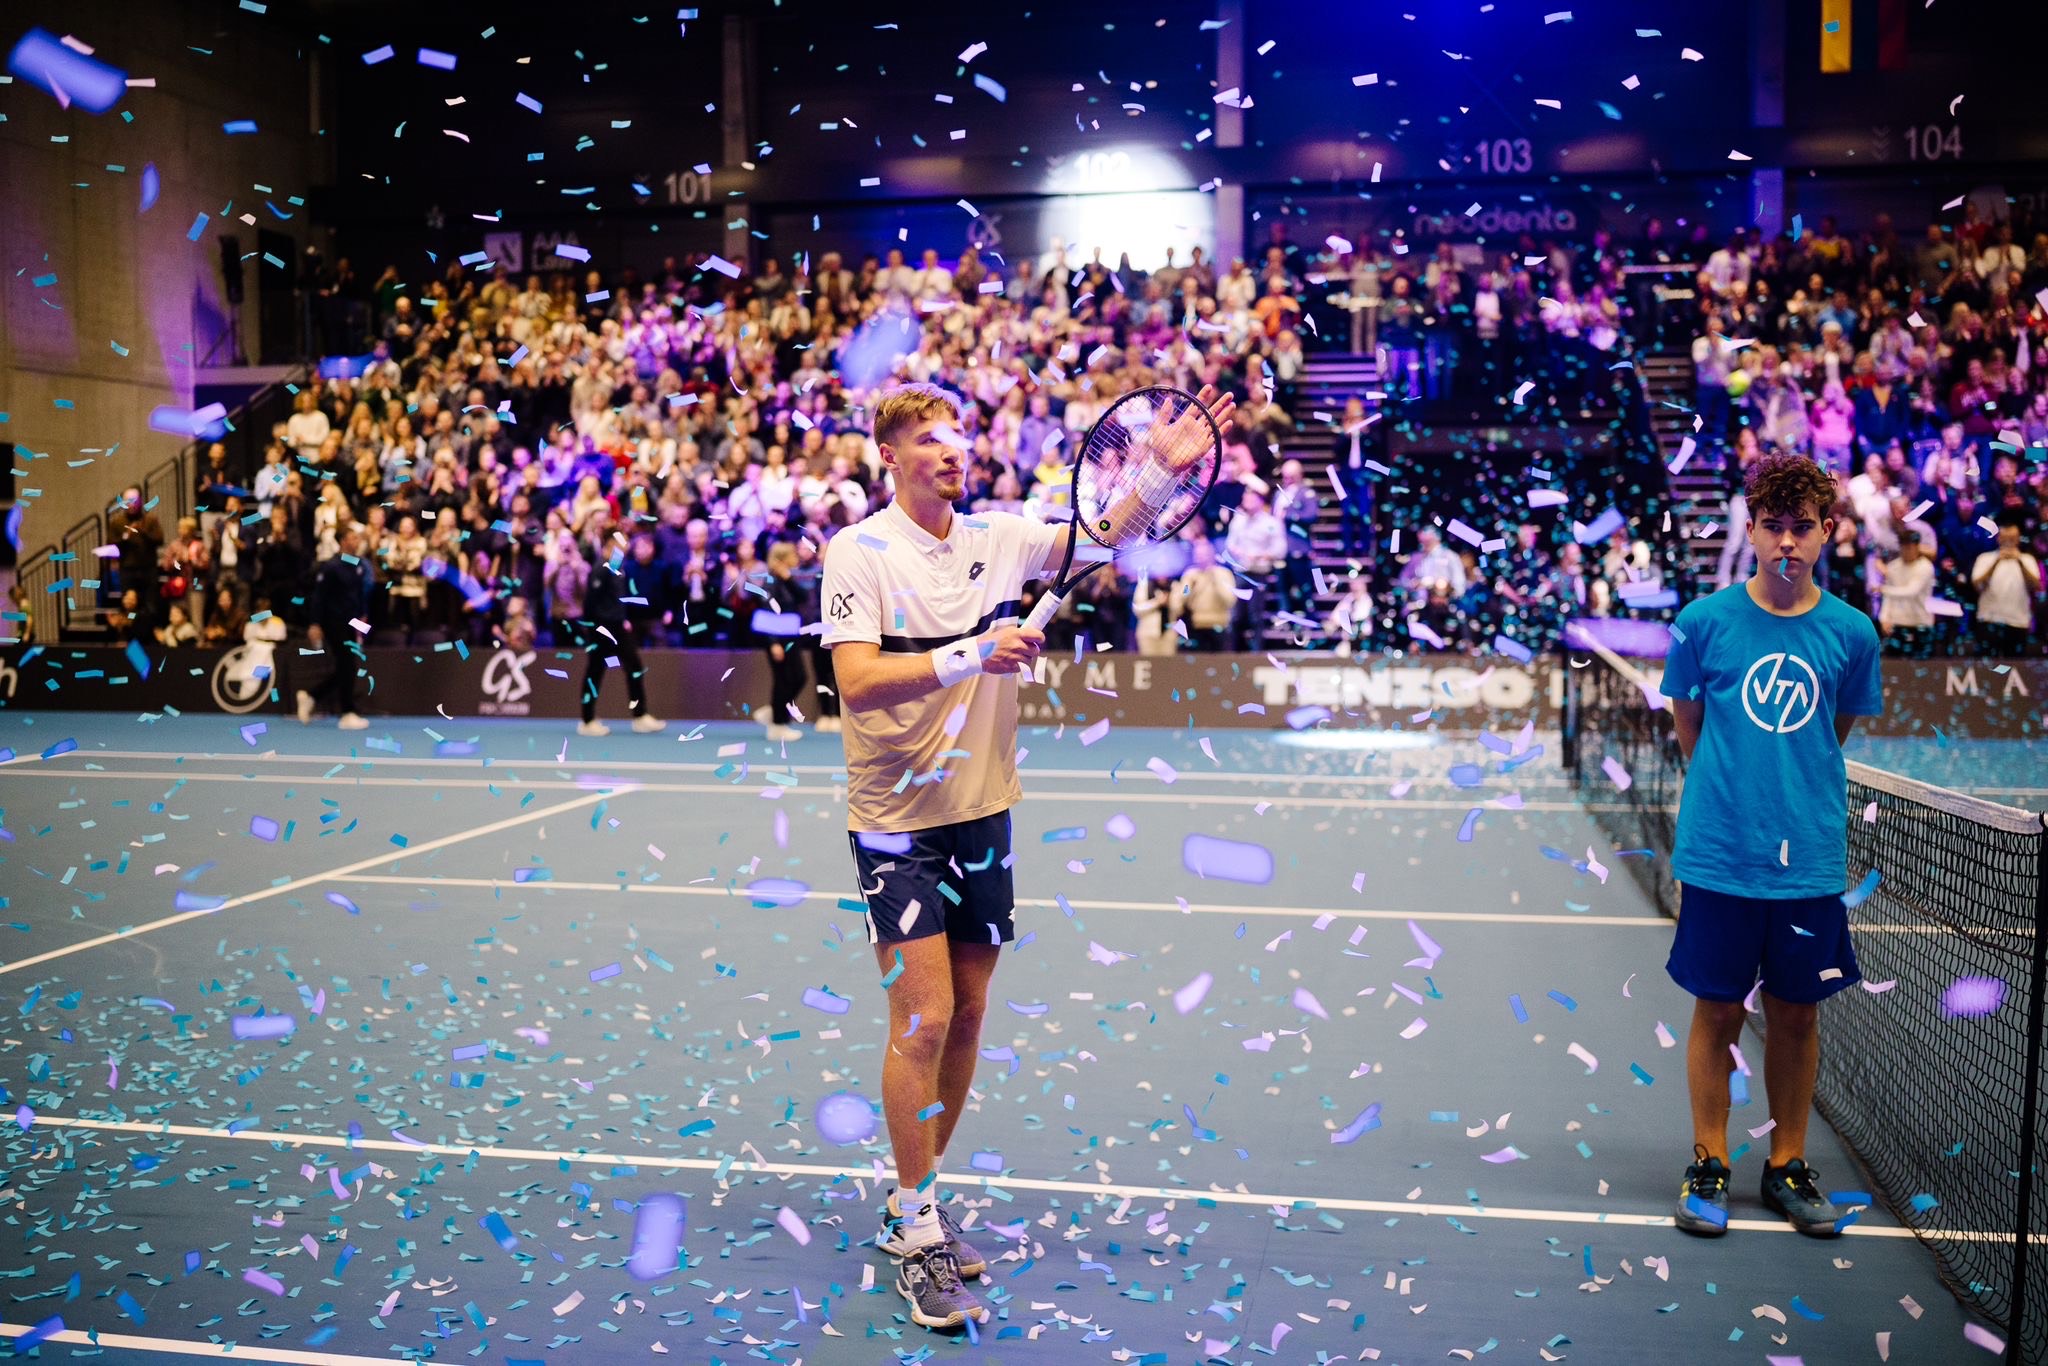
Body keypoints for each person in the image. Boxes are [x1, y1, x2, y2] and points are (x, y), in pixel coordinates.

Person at [818, 380, 1235, 1330]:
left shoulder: (999, 537)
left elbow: (1100, 537)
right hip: (895, 819)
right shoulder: (860, 551)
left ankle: (916, 1206)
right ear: (889, 456)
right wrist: (975, 652)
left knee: (967, 1015)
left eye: (958, 436)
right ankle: (920, 1234)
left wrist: (1156, 469)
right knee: (922, 1018)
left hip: (983, 810)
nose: (952, 450)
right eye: (930, 439)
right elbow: (856, 682)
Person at [1658, 451, 1882, 1239]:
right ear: (1750, 530)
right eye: (1772, 525)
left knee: (1795, 1016)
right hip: (1720, 854)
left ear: (1828, 531)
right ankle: (1709, 1161)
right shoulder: (1701, 624)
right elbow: (1691, 730)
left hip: (1809, 862)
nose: (1787, 540)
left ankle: (1787, 1165)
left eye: (1802, 526)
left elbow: (1831, 733)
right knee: (1717, 1010)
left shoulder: (1852, 633)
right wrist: (1737, 795)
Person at [568, 534, 665, 738]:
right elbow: (591, 603)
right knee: (595, 671)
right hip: (601, 628)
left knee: (635, 667)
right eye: (620, 545)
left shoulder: (618, 569)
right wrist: (594, 628)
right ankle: (587, 720)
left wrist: (622, 619)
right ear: (609, 546)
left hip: (618, 627)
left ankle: (640, 716)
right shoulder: (600, 569)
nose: (625, 549)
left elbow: (615, 600)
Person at [297, 523, 376, 730]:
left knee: (346, 668)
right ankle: (347, 712)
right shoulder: (331, 567)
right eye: (353, 538)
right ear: (343, 542)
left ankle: (311, 696)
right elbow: (319, 597)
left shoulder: (358, 565)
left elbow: (359, 595)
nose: (357, 542)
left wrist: (362, 616)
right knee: (347, 665)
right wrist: (315, 623)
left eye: (358, 538)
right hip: (333, 623)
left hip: (351, 623)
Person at [756, 541, 809, 741]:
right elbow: (767, 612)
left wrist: (788, 579)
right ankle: (777, 725)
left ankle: (775, 711)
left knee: (798, 677)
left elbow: (803, 597)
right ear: (782, 559)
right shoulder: (770, 582)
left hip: (791, 635)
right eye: (792, 554)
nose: (797, 558)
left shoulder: (786, 579)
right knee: (783, 679)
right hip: (777, 639)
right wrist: (773, 643)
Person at [1969, 517, 2040, 657]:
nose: (2008, 542)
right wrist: (1996, 562)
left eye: (2012, 539)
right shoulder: (1985, 558)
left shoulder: (2028, 559)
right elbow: (1977, 585)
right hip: (1989, 620)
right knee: (1988, 666)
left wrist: (2019, 561)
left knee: (2014, 666)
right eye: (2005, 538)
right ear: (1998, 539)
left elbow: (2036, 585)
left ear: (2018, 539)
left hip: (2018, 622)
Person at [1874, 529, 1936, 657]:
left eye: (1910, 547)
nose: (1907, 551)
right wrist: (1884, 618)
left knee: (1923, 665)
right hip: (1897, 624)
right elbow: (1888, 600)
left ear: (1917, 547)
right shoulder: (1893, 567)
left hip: (1920, 623)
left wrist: (1884, 589)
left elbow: (1912, 591)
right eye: (1904, 547)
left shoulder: (1925, 567)